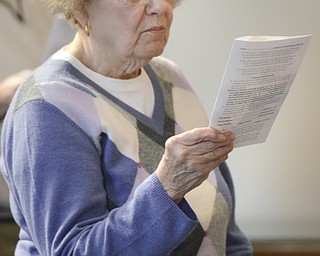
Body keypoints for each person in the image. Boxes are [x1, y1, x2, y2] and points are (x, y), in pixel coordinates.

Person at [0, 0, 253, 255]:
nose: (161, 7)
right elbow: (72, 250)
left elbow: (224, 232)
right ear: (80, 9)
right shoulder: (47, 105)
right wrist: (167, 189)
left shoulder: (170, 77)